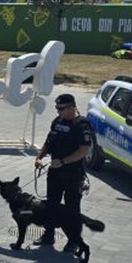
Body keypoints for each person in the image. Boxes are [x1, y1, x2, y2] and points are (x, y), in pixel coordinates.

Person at [34, 93, 93, 250]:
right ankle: (48, 235)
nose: (58, 111)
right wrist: (40, 157)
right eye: (57, 108)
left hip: (73, 173)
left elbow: (83, 151)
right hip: (55, 172)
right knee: (51, 204)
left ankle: (73, 241)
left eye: (62, 108)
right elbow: (49, 142)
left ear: (72, 107)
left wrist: (63, 162)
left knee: (72, 208)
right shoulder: (57, 122)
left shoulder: (82, 125)